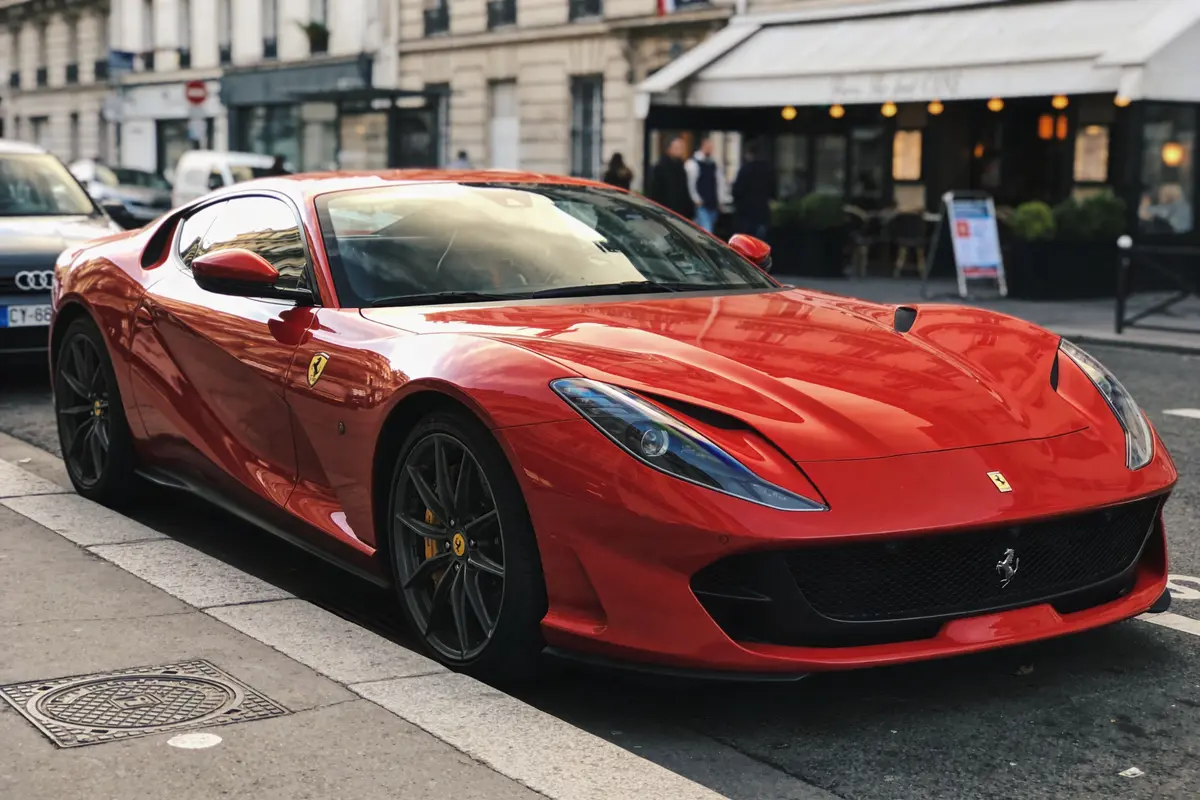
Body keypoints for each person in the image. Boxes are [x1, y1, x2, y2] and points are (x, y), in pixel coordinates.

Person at [685, 136, 729, 233]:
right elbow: (690, 183)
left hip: (713, 203)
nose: (709, 149)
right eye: (707, 146)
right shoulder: (693, 163)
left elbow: (720, 182)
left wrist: (721, 199)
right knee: (706, 231)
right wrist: (696, 199)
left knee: (706, 230)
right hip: (702, 204)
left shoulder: (714, 163)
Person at [732, 144, 775, 240]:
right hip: (762, 212)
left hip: (746, 213)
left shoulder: (745, 169)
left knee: (747, 241)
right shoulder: (768, 170)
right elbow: (773, 191)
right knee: (760, 241)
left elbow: (737, 190)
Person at [647, 137, 694, 220]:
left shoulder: (681, 167)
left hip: (680, 213)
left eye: (681, 148)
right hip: (666, 211)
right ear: (669, 149)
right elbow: (655, 191)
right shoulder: (661, 167)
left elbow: (684, 190)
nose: (680, 151)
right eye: (677, 148)